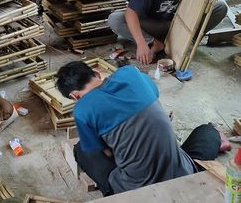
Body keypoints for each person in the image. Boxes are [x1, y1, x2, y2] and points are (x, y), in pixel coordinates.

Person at [55, 61, 231, 196]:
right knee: (206, 131)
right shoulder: (131, 73)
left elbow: (108, 154)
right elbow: (154, 97)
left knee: (81, 150)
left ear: (74, 96)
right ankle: (216, 136)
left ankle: (116, 193)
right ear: (96, 73)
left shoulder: (82, 109)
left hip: (136, 190)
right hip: (181, 171)